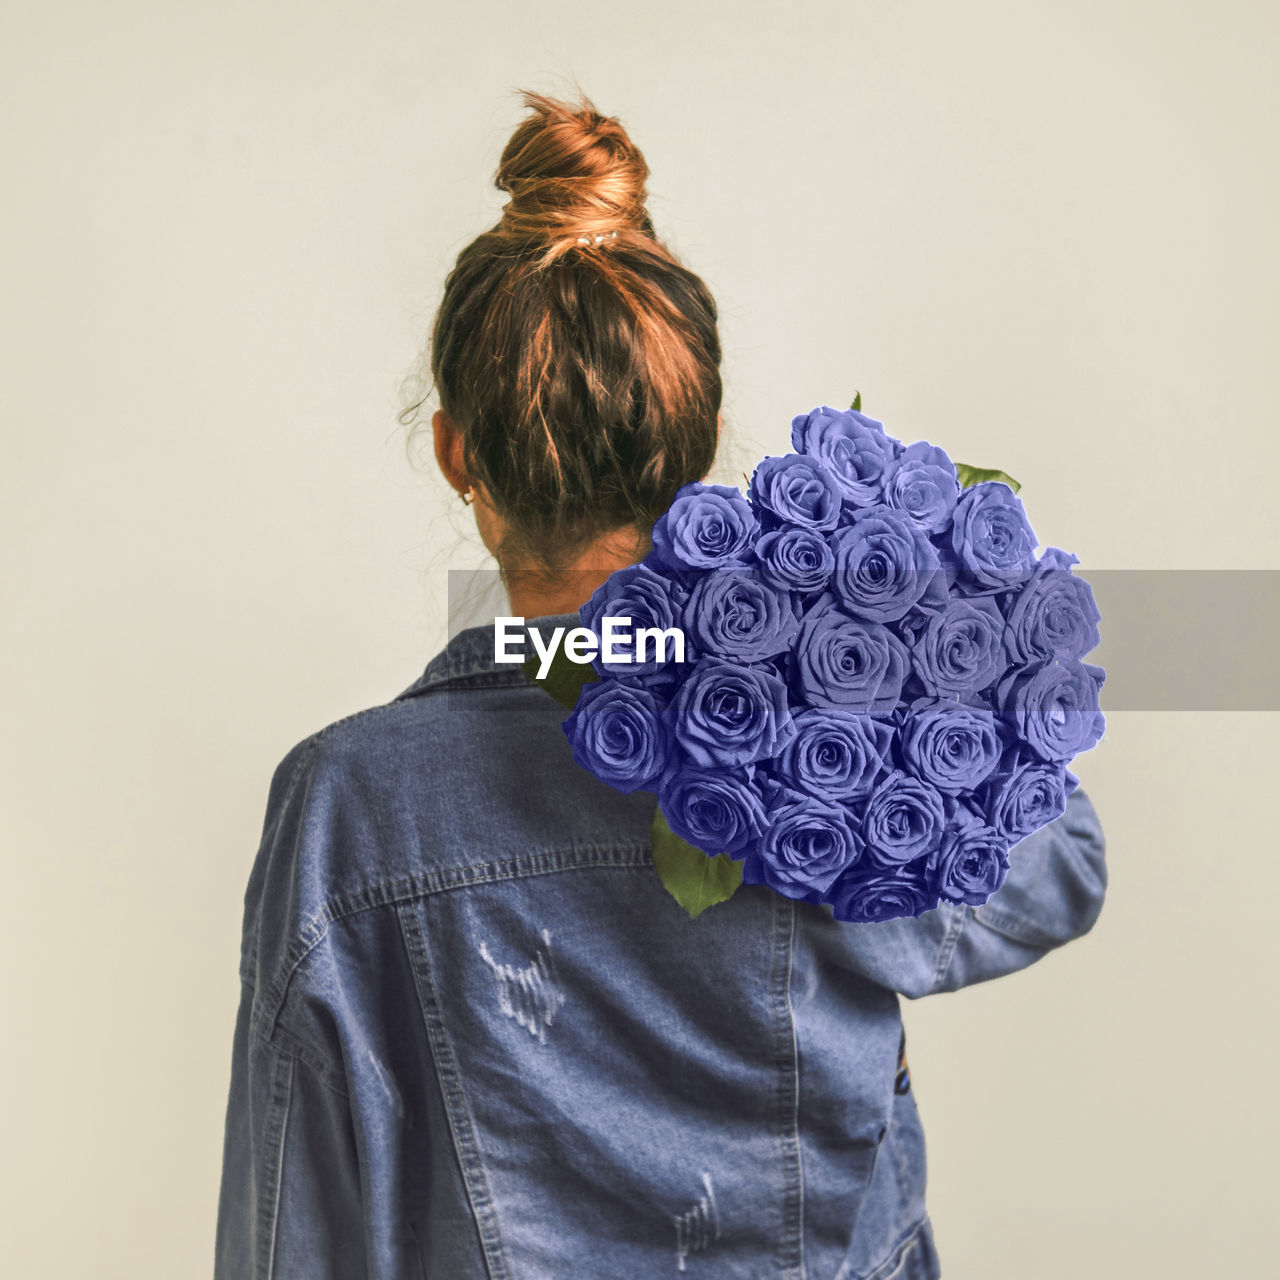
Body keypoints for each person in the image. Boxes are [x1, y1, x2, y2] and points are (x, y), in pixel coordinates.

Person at [214, 90, 1108, 1280]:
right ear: (702, 440)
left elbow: (297, 1235)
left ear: (456, 453)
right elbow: (1060, 869)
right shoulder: (817, 739)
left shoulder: (348, 810)